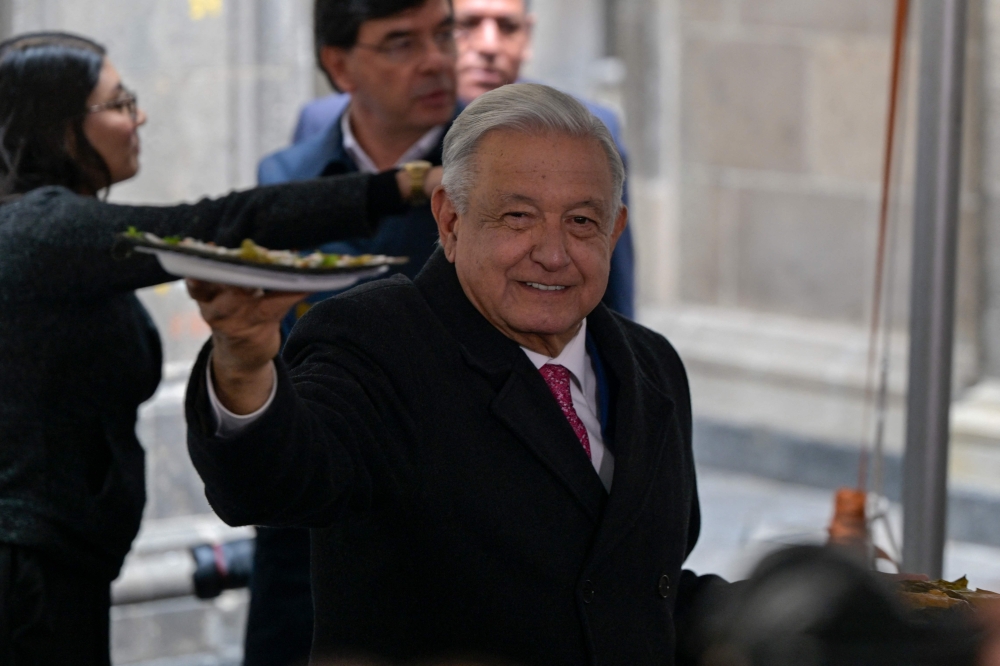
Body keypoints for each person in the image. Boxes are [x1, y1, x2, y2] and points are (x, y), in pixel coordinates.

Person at [186, 83, 720, 665]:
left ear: (615, 231)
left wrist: (792, 606)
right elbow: (276, 481)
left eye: (582, 222)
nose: (552, 252)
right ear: (450, 219)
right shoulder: (377, 340)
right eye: (518, 217)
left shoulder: (653, 366)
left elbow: (636, 591)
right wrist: (241, 365)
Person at [0, 32, 435, 665]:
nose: (138, 116)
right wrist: (400, 188)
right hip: (27, 572)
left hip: (60, 560)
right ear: (59, 127)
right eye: (119, 102)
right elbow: (213, 227)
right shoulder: (40, 229)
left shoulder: (55, 231)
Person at [246, 2, 459, 663]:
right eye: (400, 42)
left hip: (456, 519)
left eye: (443, 32)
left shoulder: (500, 169)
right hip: (312, 525)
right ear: (340, 65)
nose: (436, 59)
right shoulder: (289, 178)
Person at [292, 0, 636, 320]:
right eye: (464, 26)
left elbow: (608, 302)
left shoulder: (572, 138)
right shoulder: (309, 143)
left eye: (442, 35)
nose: (438, 59)